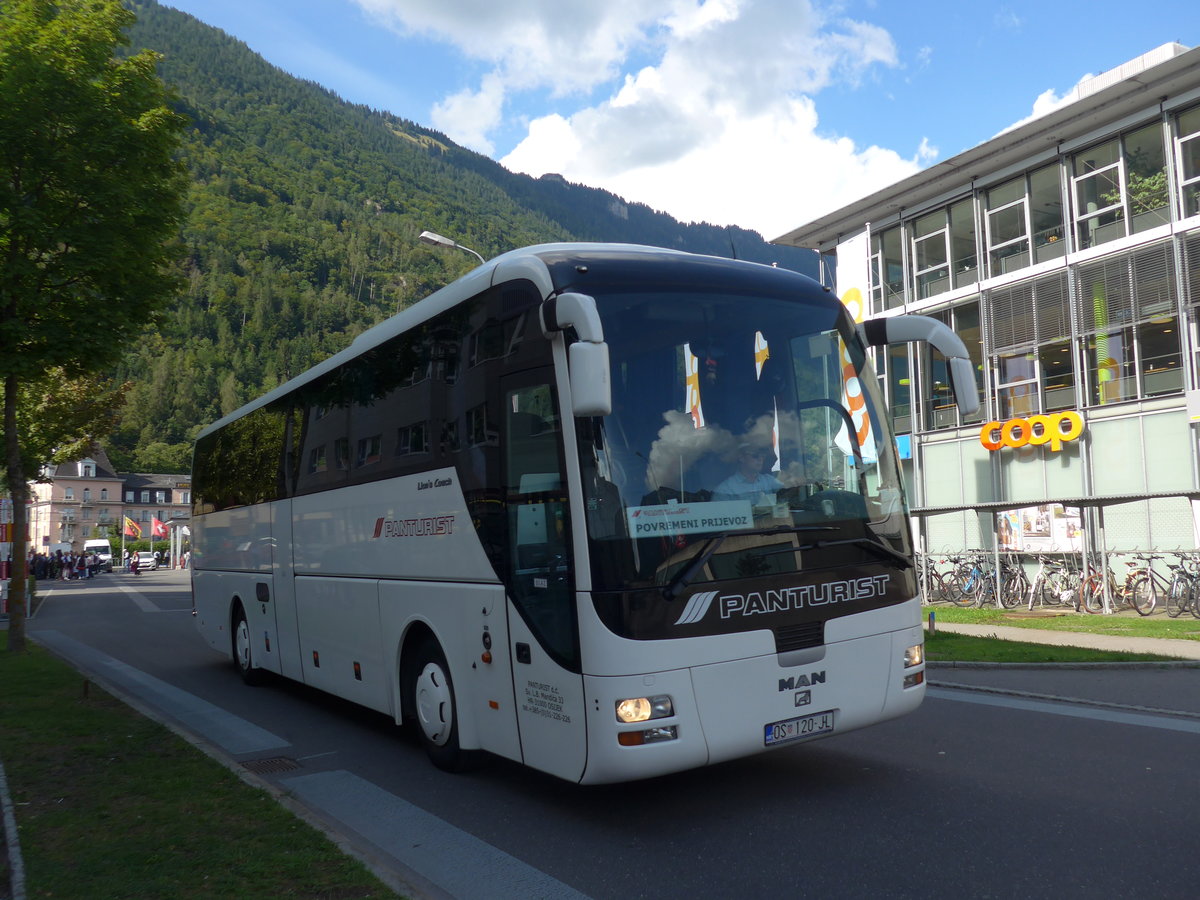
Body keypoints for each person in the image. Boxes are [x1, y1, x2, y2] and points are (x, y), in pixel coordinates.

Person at [712, 444, 784, 504]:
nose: (760, 459)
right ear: (741, 458)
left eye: (762, 456)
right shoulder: (725, 490)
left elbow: (788, 494)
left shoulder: (769, 481)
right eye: (755, 455)